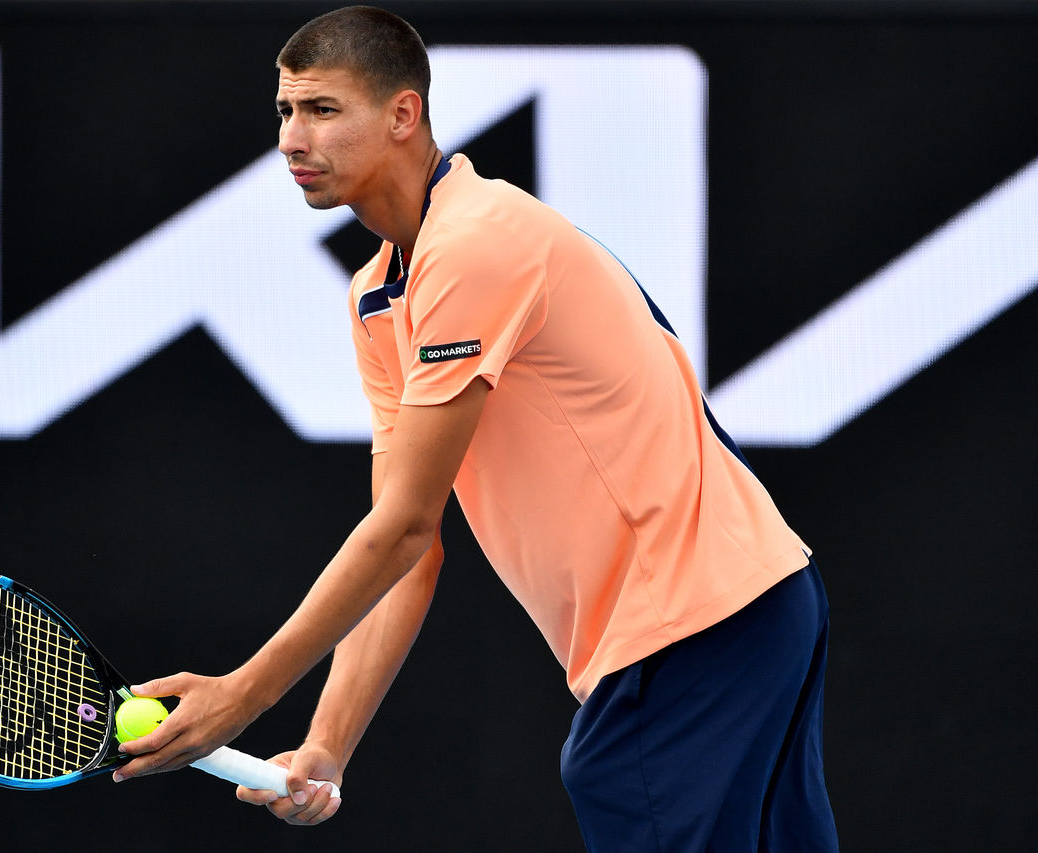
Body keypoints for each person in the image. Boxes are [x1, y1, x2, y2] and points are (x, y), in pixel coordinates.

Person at [114, 6, 839, 850]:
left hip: (696, 626)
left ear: (402, 114)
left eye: (321, 109)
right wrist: (327, 745)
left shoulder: (475, 244)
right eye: (284, 112)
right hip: (755, 606)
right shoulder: (379, 295)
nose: (291, 139)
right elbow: (410, 551)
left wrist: (245, 692)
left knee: (610, 770)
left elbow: (405, 526)